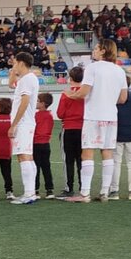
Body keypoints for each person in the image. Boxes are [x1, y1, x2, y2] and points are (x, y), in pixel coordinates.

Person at [64, 39, 128, 203]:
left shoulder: (92, 68)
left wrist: (69, 94)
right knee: (107, 153)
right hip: (111, 117)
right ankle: (105, 192)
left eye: (96, 48)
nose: (93, 50)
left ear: (103, 51)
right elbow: (123, 98)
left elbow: (83, 92)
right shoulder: (119, 71)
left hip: (93, 115)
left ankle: (84, 194)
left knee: (88, 152)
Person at [8, 52, 40, 204]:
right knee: (27, 156)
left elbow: (25, 101)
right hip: (27, 122)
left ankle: (29, 194)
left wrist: (14, 124)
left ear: (21, 63)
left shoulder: (27, 80)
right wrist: (13, 73)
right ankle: (31, 192)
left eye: (15, 63)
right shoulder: (28, 79)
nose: (13, 66)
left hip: (23, 123)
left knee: (23, 156)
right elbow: (11, 84)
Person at [56, 66, 85, 197]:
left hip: (68, 128)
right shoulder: (85, 93)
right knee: (82, 160)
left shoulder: (65, 94)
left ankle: (69, 187)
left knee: (68, 160)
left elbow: (60, 113)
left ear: (71, 78)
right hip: (82, 129)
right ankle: (83, 186)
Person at [33, 93, 55, 199]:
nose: (36, 103)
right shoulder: (50, 116)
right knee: (46, 167)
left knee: (36, 167)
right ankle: (49, 190)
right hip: (46, 144)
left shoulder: (36, 115)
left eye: (37, 101)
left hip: (36, 143)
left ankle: (35, 190)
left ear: (43, 103)